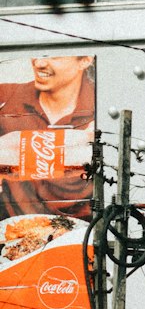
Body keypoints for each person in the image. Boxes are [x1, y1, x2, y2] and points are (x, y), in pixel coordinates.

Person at [0, 55, 95, 222]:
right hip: (11, 236)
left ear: (85, 60)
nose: (39, 63)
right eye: (37, 56)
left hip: (79, 238)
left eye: (54, 57)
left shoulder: (102, 103)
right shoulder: (6, 97)